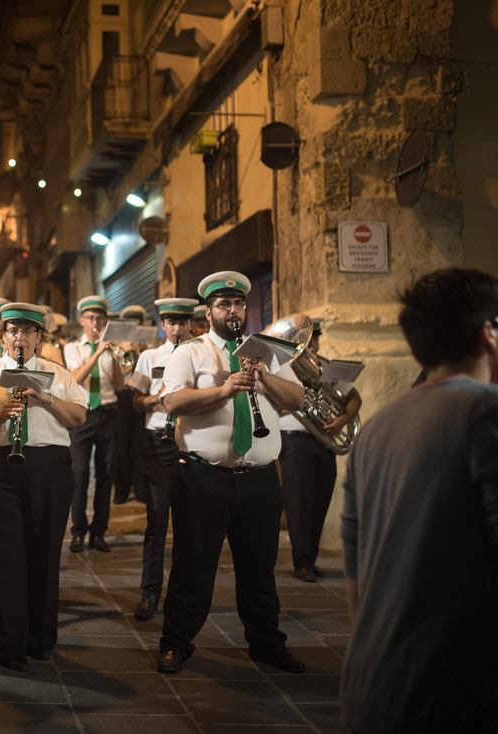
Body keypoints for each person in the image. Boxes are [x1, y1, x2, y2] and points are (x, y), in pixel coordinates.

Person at [340, 268, 498, 734]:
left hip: (374, 690)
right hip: (459, 698)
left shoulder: (377, 429)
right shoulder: (492, 410)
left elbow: (356, 582)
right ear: (490, 332)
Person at [156, 271, 305, 675]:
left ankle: (266, 644)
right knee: (193, 565)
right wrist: (223, 390)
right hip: (204, 479)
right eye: (224, 305)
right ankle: (176, 642)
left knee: (259, 568)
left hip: (258, 479)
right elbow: (171, 402)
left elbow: (297, 398)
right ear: (209, 311)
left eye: (238, 304)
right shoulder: (191, 351)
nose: (233, 311)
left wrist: (265, 377)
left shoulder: (268, 352)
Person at [0, 302, 87, 672]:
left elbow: (79, 417)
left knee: (44, 552)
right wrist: (1, 414)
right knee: (1, 557)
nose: (20, 338)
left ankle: (39, 638)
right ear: (3, 335)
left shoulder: (57, 373)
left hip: (48, 468)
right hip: (0, 468)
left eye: (28, 332)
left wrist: (44, 397)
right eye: (13, 331)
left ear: (39, 337)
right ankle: (6, 646)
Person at [128, 298, 197, 622]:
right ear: (163, 324)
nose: (177, 328)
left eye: (183, 322)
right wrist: (160, 398)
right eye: (170, 322)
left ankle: (185, 596)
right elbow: (136, 402)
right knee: (157, 520)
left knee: (189, 523)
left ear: (192, 324)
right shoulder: (149, 356)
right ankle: (150, 591)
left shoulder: (200, 355)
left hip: (191, 441)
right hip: (158, 441)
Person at [279, 318, 362, 582]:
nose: (311, 343)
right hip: (294, 439)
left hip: (323, 440)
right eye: (306, 337)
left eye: (314, 338)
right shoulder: (281, 369)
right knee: (298, 502)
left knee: (320, 500)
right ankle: (301, 561)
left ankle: (310, 558)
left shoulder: (326, 366)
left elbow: (354, 399)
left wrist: (341, 421)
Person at [63, 295, 124, 553]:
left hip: (109, 412)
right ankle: (78, 531)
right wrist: (98, 352)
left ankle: (99, 531)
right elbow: (76, 378)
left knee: (106, 474)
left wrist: (115, 356)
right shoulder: (72, 347)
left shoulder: (113, 348)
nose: (95, 323)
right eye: (90, 318)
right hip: (83, 413)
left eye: (99, 318)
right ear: (81, 321)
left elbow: (120, 385)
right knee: (79, 474)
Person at [114, 304, 148, 505]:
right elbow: (122, 372)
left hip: (142, 394)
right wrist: (133, 352)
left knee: (140, 444)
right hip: (124, 396)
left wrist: (144, 352)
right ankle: (122, 489)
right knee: (122, 444)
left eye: (139, 321)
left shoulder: (149, 345)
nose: (136, 325)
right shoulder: (118, 346)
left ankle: (140, 487)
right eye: (132, 321)